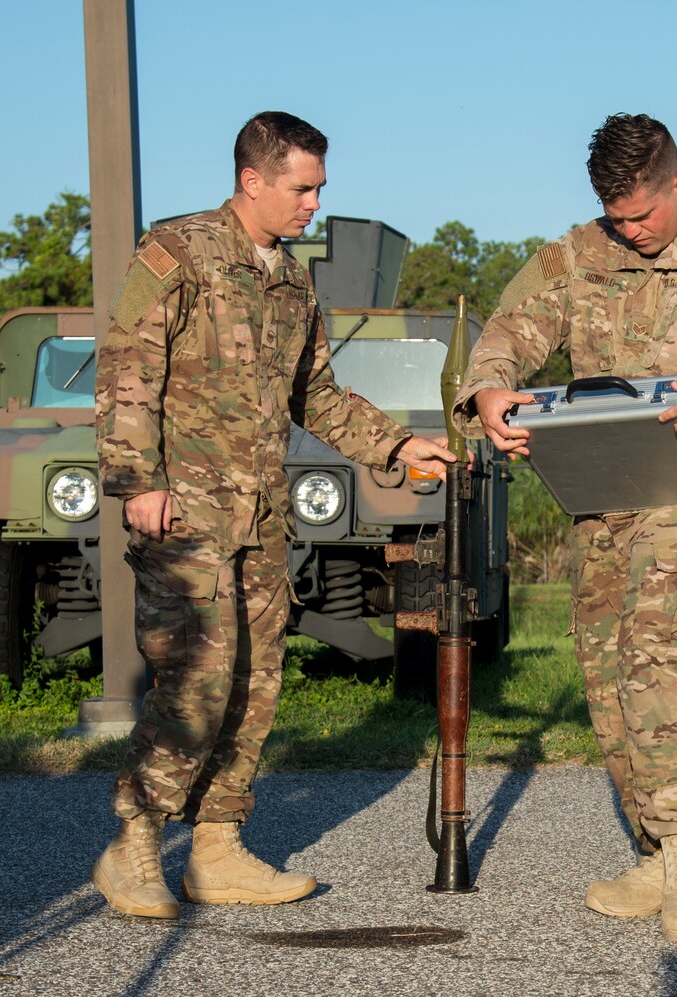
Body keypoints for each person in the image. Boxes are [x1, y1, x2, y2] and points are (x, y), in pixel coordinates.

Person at [455, 114, 677, 941]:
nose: (629, 231)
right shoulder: (578, 252)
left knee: (657, 644)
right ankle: (655, 850)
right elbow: (512, 330)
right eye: (616, 217)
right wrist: (489, 389)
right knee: (606, 670)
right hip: (605, 489)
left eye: (643, 215)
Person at [91, 110, 454, 919]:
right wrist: (135, 479)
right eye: (303, 188)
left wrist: (401, 447)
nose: (313, 205)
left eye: (320, 189)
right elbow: (127, 367)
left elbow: (314, 396)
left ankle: (217, 849)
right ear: (252, 180)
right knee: (198, 674)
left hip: (261, 517)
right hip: (182, 511)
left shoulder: (291, 279)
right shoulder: (178, 253)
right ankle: (135, 844)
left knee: (257, 679)